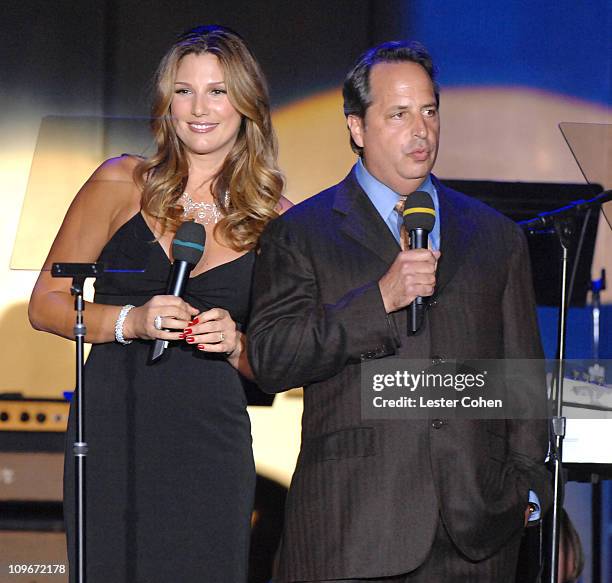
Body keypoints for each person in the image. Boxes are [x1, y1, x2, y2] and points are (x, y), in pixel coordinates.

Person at [247, 40, 551, 582]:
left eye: (430, 111)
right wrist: (379, 302)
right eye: (399, 114)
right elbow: (273, 359)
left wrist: (526, 490)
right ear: (357, 128)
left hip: (476, 538)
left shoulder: (494, 235)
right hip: (354, 528)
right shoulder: (303, 233)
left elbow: (522, 380)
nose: (421, 130)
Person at [29, 25, 289, 582]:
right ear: (165, 102)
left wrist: (237, 341)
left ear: (245, 105)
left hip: (210, 435)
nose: (199, 108)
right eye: (183, 90)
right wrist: (131, 320)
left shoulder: (277, 220)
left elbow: (282, 359)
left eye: (217, 91)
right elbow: (46, 303)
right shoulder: (121, 182)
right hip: (112, 425)